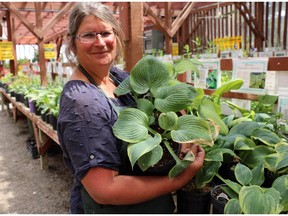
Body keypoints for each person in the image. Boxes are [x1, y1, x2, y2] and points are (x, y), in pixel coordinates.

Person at [57, 2, 205, 214]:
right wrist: (178, 179)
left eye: (105, 33)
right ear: (73, 44)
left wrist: (183, 132)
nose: (100, 42)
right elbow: (105, 189)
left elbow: (164, 107)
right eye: (88, 35)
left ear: (115, 37)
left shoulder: (119, 78)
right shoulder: (82, 103)